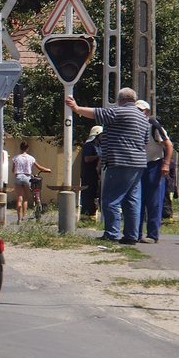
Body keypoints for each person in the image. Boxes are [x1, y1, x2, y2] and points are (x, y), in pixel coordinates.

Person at [66, 87, 150, 244]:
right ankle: (131, 236)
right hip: (138, 164)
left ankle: (111, 233)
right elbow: (145, 143)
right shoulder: (142, 119)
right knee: (132, 200)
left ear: (121, 100)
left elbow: (95, 113)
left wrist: (76, 108)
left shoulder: (118, 112)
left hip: (119, 161)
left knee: (111, 199)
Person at [135, 99, 173, 243]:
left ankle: (152, 235)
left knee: (154, 200)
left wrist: (166, 164)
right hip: (137, 165)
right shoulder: (131, 125)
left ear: (147, 112)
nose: (138, 113)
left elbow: (169, 145)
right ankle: (135, 233)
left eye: (141, 111)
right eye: (136, 110)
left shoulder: (153, 126)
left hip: (154, 166)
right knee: (136, 200)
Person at [10, 141, 52, 224]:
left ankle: (18, 218)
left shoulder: (15, 158)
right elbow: (39, 167)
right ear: (27, 148)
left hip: (18, 177)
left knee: (19, 198)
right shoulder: (30, 158)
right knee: (26, 198)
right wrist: (47, 170)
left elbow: (13, 170)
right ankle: (24, 217)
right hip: (27, 178)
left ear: (20, 148)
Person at [80, 125, 103, 219]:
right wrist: (98, 156)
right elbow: (87, 159)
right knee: (88, 194)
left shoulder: (98, 146)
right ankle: (86, 215)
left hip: (95, 174)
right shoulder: (89, 145)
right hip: (88, 174)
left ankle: (92, 215)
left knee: (94, 195)